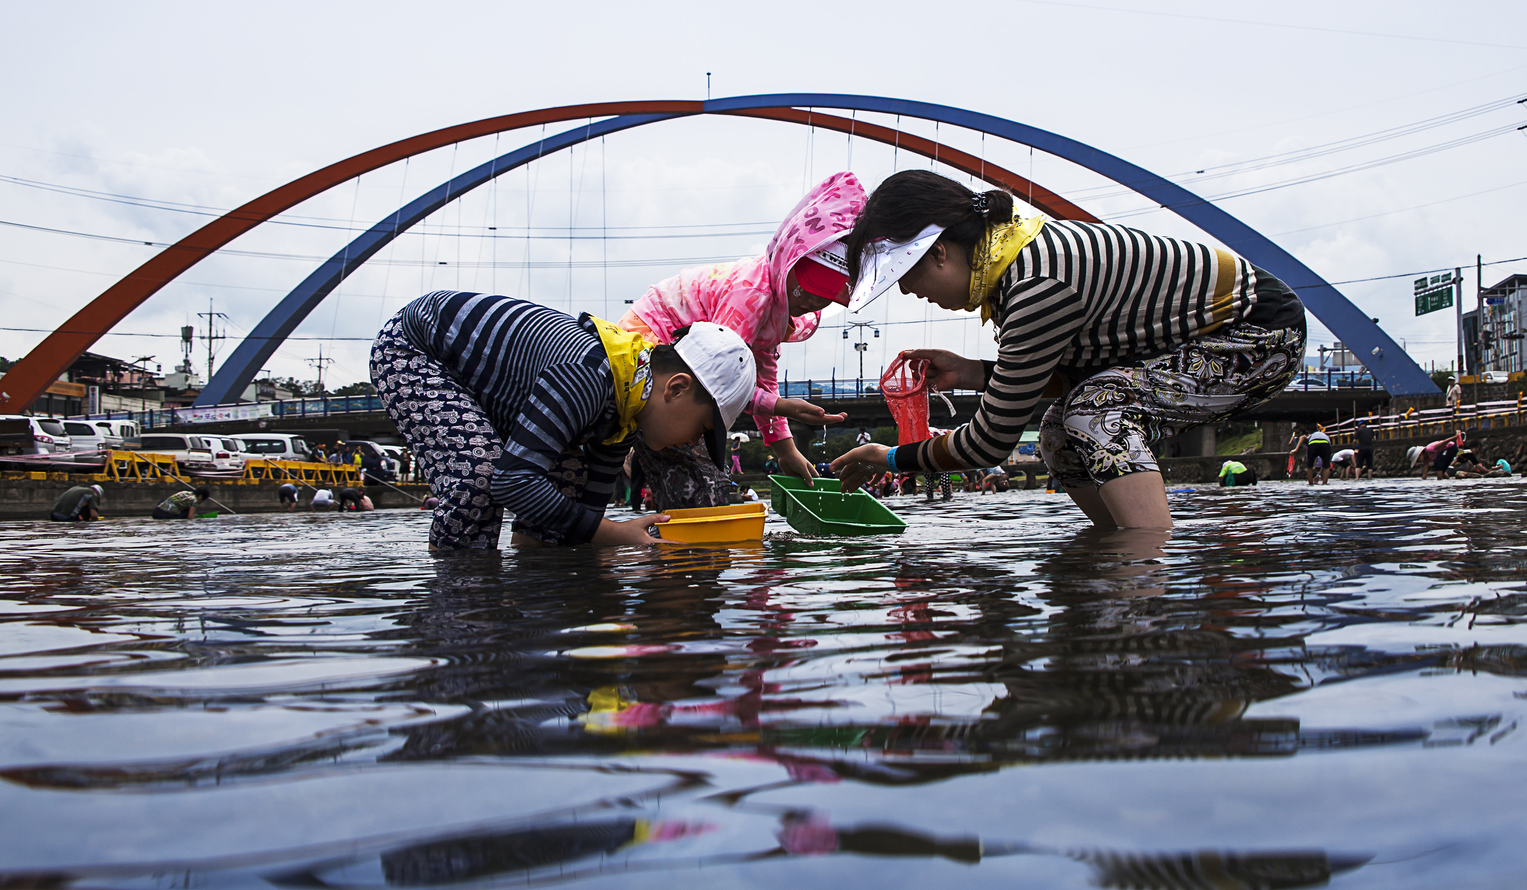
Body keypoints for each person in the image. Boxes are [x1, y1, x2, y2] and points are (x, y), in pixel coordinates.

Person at [831, 170, 1305, 532]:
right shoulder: (1013, 262)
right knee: (1058, 431)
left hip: (1260, 335)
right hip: (1201, 343)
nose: (907, 291)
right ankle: (1113, 546)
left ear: (938, 252)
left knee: (1094, 411)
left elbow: (989, 442)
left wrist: (891, 458)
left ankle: (1146, 562)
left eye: (905, 275)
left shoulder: (1036, 284)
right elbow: (1074, 374)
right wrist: (974, 373)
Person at [369, 290, 758, 550]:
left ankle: (539, 585)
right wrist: (614, 535)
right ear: (676, 388)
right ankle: (459, 598)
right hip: (415, 348)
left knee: (571, 480)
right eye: (701, 429)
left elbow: (590, 508)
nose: (690, 443)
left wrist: (604, 548)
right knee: (480, 477)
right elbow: (511, 480)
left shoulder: (626, 413)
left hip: (491, 390)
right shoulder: (589, 375)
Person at [616, 173, 862, 507]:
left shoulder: (777, 308)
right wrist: (781, 406)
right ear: (787, 261)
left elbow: (761, 377)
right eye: (806, 287)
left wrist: (786, 449)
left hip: (684, 367)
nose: (811, 300)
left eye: (825, 295)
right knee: (700, 480)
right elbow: (718, 380)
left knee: (698, 475)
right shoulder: (750, 294)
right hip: (651, 347)